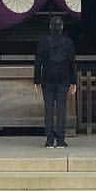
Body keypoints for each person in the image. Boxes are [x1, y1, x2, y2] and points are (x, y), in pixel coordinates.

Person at [33, 15, 77, 147]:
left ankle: (49, 140)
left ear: (50, 27)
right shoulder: (68, 42)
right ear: (62, 27)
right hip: (64, 79)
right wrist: (74, 81)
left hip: (48, 78)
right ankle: (61, 140)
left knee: (49, 109)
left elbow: (38, 62)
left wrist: (36, 80)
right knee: (61, 109)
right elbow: (72, 63)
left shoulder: (43, 41)